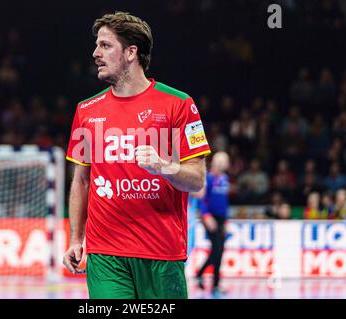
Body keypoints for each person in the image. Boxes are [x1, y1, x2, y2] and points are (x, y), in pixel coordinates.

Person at [62, 12, 211, 299]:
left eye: (105, 46)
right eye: (97, 45)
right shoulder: (86, 111)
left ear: (131, 52)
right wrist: (76, 238)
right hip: (105, 253)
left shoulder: (180, 105)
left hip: (161, 253)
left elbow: (197, 180)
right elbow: (81, 181)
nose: (95, 53)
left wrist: (164, 167)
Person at [194, 152, 230, 297]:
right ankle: (209, 279)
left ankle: (206, 277)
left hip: (221, 218)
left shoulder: (225, 179)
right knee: (217, 249)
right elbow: (202, 199)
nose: (221, 163)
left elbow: (225, 202)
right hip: (210, 217)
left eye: (224, 161)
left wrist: (226, 220)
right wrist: (206, 216)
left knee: (219, 250)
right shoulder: (207, 178)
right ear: (213, 162)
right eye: (219, 161)